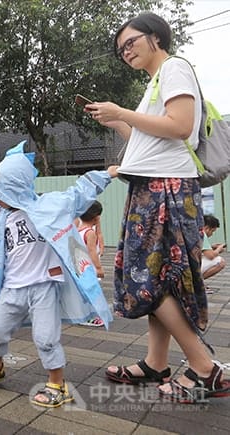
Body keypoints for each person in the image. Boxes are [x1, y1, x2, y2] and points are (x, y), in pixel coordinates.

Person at [87, 12, 229, 403]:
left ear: (155, 38)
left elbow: (181, 125)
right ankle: (156, 362)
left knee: (143, 280)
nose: (125, 51)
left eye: (130, 42)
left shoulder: (174, 68)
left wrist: (120, 112)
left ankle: (205, 368)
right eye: (120, 50)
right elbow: (152, 136)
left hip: (165, 190)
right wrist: (116, 122)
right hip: (154, 187)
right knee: (158, 279)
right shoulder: (156, 82)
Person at [0, 141, 117, 408]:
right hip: (12, 288)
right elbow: (0, 257)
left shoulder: (48, 206)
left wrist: (108, 174)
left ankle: (57, 384)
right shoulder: (2, 218)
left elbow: (78, 194)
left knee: (47, 337)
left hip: (44, 285)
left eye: (1, 190)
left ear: (14, 189)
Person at [77, 201, 105, 327]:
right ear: (96, 217)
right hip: (89, 268)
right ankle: (88, 317)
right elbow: (92, 252)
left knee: (84, 292)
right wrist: (99, 268)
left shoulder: (79, 230)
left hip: (81, 268)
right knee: (92, 293)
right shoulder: (90, 233)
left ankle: (84, 315)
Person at [201, 214, 226, 292]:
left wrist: (211, 247)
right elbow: (210, 256)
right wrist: (219, 249)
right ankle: (197, 284)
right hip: (190, 268)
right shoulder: (202, 235)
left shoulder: (194, 232)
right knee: (220, 262)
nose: (212, 234)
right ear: (207, 228)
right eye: (212, 231)